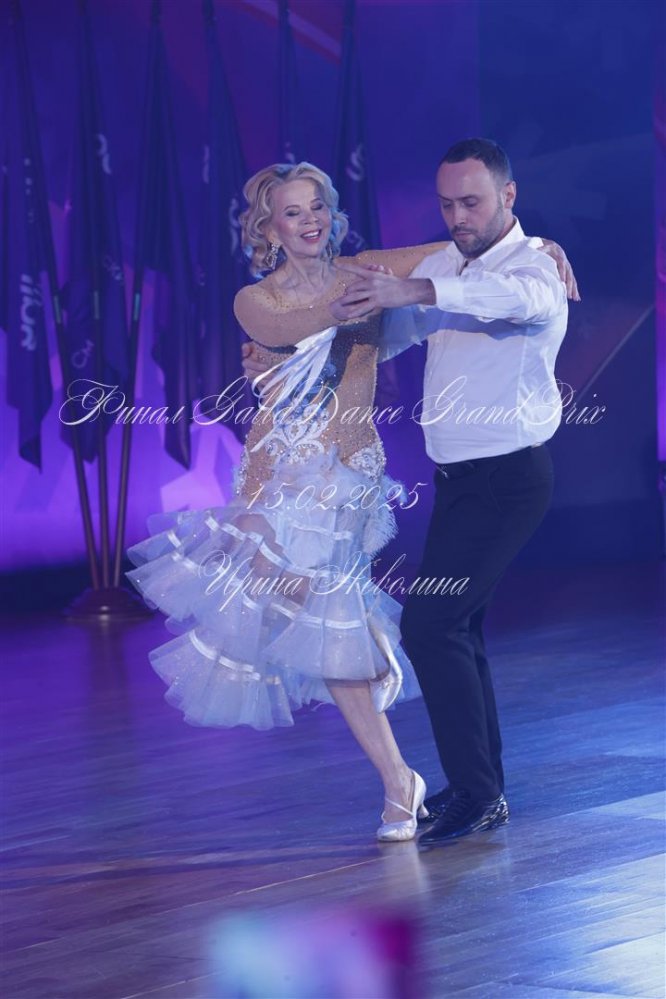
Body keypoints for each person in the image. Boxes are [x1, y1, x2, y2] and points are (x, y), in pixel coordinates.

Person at [324, 137, 574, 847]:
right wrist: (298, 351)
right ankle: (482, 790)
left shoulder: (535, 268)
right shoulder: (443, 266)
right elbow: (394, 333)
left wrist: (413, 289)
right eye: (447, 205)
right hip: (459, 482)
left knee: (432, 625)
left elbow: (511, 300)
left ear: (508, 196)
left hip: (510, 479)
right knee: (455, 628)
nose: (458, 216)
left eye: (472, 202)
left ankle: (476, 791)